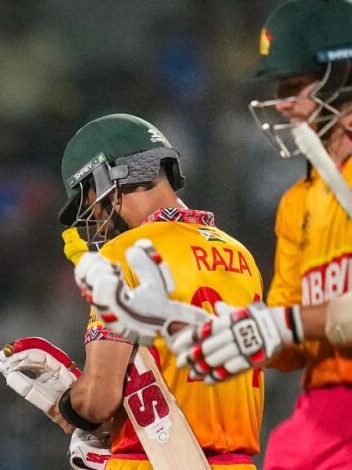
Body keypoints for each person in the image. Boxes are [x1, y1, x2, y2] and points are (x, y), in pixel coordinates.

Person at [160, 1, 352, 468]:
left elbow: (295, 323)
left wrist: (280, 325)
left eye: (295, 85)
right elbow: (292, 349)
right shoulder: (299, 204)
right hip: (321, 415)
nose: (282, 104)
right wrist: (232, 328)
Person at [53, 113, 264, 469]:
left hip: (152, 460)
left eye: (88, 200)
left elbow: (99, 401)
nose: (95, 216)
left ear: (105, 182)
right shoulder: (240, 254)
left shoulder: (122, 255)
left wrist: (68, 404)